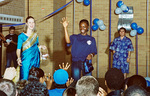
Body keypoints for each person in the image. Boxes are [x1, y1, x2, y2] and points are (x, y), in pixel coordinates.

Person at [16, 16, 47, 80]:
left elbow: (36, 46)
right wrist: (18, 58)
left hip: (35, 59)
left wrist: (41, 47)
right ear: (26, 24)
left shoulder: (35, 35)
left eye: (33, 22)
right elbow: (18, 49)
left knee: (35, 78)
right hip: (26, 60)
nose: (31, 24)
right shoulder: (21, 36)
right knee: (25, 78)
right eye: (30, 22)